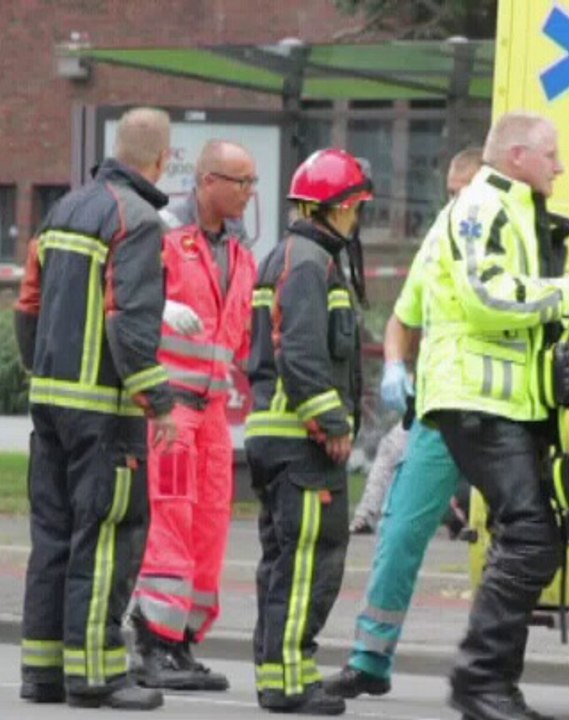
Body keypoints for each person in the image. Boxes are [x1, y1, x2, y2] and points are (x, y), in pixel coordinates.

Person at [424, 112, 569, 720]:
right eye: (552, 154)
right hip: (477, 397)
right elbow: (485, 294)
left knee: (522, 536)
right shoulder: (484, 206)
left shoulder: (512, 207)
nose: (560, 165)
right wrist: (564, 296)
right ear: (519, 155)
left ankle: (495, 686)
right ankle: (479, 683)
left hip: (498, 402)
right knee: (529, 537)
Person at [14, 107, 178, 711]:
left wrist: (41, 370)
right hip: (105, 413)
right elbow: (130, 323)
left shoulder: (65, 209)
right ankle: (95, 675)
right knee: (107, 537)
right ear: (160, 159)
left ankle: (42, 672)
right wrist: (157, 402)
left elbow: (26, 302)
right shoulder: (137, 221)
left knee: (53, 536)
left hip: (51, 403)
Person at [325, 148, 483, 700]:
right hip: (439, 413)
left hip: (500, 412)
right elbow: (402, 318)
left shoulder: (508, 235)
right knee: (398, 535)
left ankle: (491, 673)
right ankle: (370, 657)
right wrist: (395, 363)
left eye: (464, 191)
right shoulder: (441, 237)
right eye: (450, 191)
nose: (455, 202)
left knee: (514, 545)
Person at [245, 148, 372, 716]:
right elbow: (301, 350)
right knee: (310, 562)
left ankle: (278, 675)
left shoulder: (300, 255)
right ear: (337, 207)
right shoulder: (307, 262)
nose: (359, 218)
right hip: (302, 443)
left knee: (284, 563)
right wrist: (331, 421)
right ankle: (292, 680)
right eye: (356, 207)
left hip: (283, 440)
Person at [130, 141, 258, 692]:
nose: (250, 193)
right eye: (241, 182)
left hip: (211, 415)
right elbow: (124, 300)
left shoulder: (240, 250)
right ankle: (152, 640)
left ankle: (182, 642)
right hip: (170, 409)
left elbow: (236, 337)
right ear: (207, 181)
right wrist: (158, 307)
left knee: (209, 523)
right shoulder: (162, 236)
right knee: (170, 519)